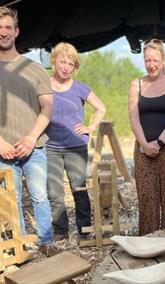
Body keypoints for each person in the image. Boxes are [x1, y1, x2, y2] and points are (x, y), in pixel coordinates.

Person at [0, 6, 58, 256]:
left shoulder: (34, 69)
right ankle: (19, 248)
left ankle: (46, 244)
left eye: (7, 27)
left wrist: (32, 137)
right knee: (8, 204)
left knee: (40, 197)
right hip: (3, 149)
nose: (2, 32)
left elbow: (47, 108)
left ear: (16, 31)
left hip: (34, 147)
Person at [46, 42, 106, 241]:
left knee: (79, 189)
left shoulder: (79, 87)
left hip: (76, 146)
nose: (66, 67)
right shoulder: (44, 85)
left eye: (70, 64)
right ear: (54, 61)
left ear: (75, 67)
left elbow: (101, 108)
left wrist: (90, 127)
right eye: (62, 62)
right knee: (54, 193)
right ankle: (60, 232)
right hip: (50, 147)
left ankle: (84, 230)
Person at [129, 39, 165, 235]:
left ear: (163, 60)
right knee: (147, 202)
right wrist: (144, 144)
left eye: (155, 60)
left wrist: (159, 143)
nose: (151, 65)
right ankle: (147, 247)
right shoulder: (136, 84)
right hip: (143, 151)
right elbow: (133, 117)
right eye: (147, 60)